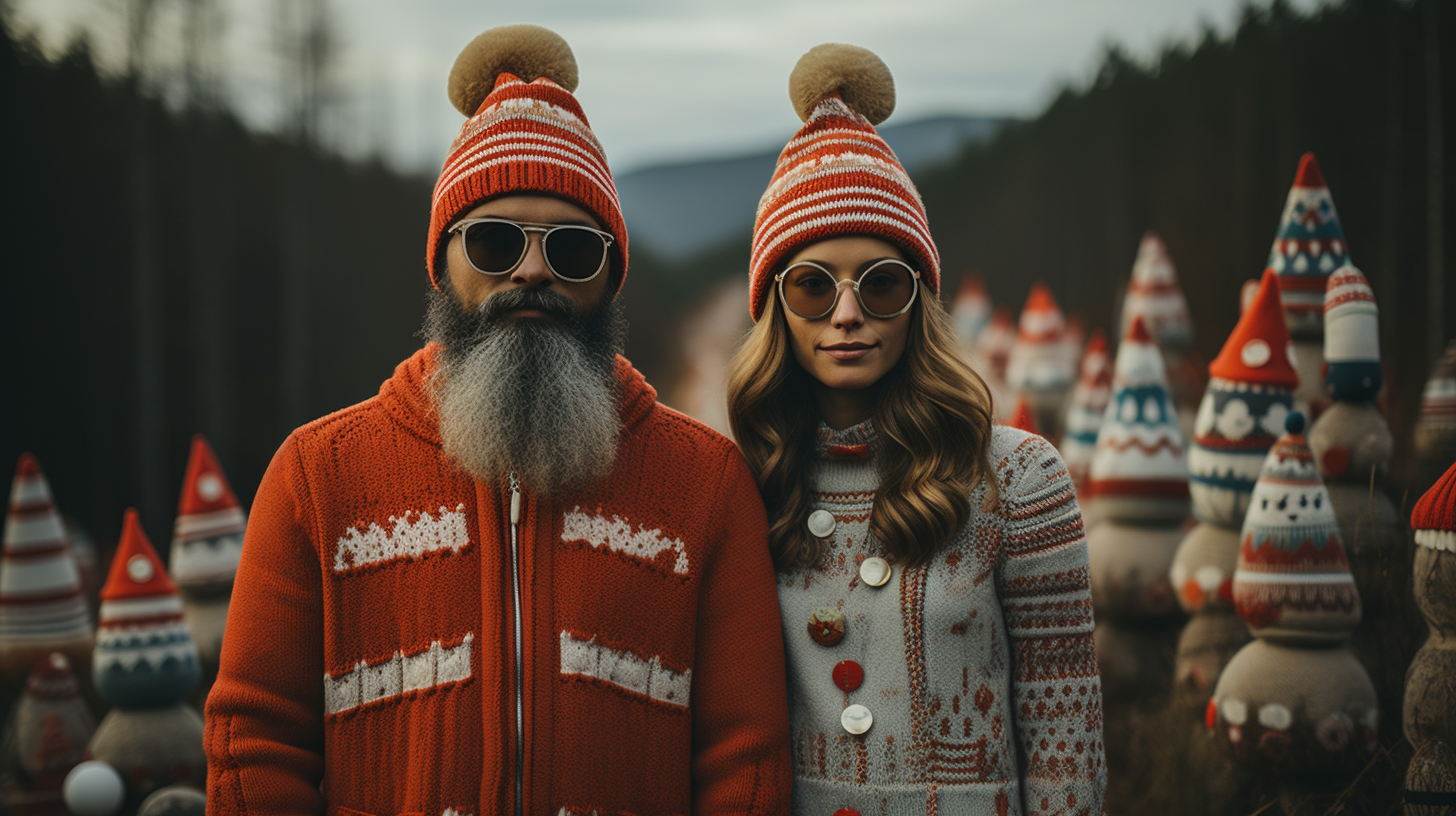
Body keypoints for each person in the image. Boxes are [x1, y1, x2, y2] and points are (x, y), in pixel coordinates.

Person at [204, 25, 792, 816]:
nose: (531, 270)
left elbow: (744, 763)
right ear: (441, 264)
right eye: (492, 240)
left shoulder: (706, 482)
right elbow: (256, 746)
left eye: (574, 251)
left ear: (611, 279)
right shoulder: (318, 476)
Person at [725, 44, 1106, 815]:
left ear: (918, 298)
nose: (846, 312)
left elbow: (1069, 746)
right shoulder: (742, 485)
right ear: (775, 307)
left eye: (882, 280)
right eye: (810, 284)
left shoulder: (1019, 481)